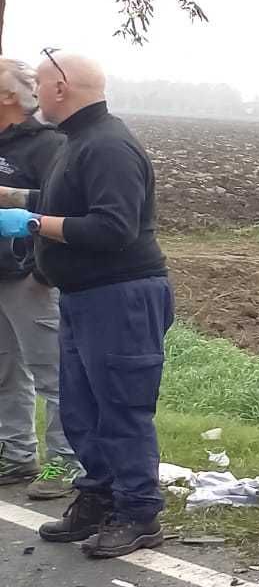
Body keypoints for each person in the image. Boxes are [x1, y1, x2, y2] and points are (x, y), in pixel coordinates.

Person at [0, 51, 173, 557]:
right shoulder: (76, 142)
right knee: (82, 408)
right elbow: (61, 202)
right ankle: (99, 497)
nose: (35, 94)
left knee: (121, 408)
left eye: (40, 84)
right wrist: (13, 199)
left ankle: (139, 513)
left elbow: (113, 227)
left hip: (120, 297)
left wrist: (33, 225)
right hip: (82, 296)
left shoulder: (108, 145)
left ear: (61, 87)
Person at [0, 57, 77, 498]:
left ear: (8, 95)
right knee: (5, 371)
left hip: (30, 277)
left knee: (53, 373)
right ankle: (16, 454)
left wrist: (43, 273)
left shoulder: (48, 144)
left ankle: (67, 461)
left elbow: (64, 204)